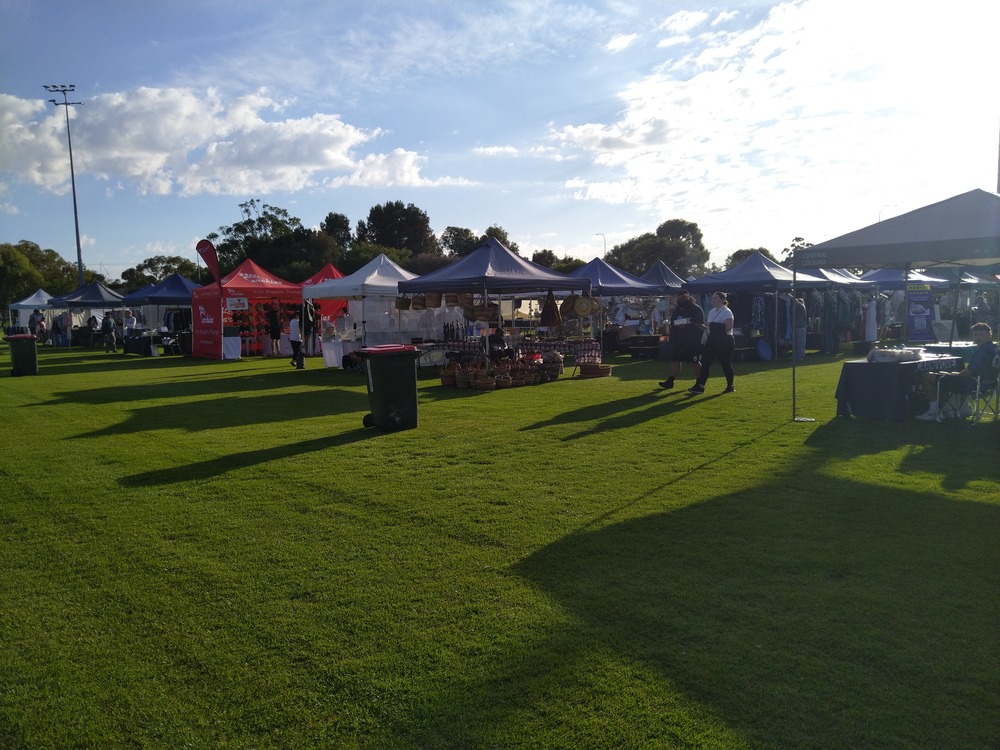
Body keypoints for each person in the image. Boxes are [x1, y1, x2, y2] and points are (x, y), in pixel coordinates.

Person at [917, 322, 999, 420]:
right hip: (991, 383)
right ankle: (955, 408)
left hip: (974, 384)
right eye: (975, 335)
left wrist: (949, 374)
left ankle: (934, 411)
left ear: (989, 335)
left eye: (981, 335)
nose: (978, 338)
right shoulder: (995, 348)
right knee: (945, 377)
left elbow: (966, 373)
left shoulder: (981, 352)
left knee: (927, 376)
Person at [689, 291, 736, 394]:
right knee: (705, 363)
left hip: (724, 341)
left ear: (722, 300)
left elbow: (728, 327)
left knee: (725, 364)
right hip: (712, 340)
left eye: (716, 298)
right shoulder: (711, 312)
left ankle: (730, 386)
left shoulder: (726, 312)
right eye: (713, 298)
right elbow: (710, 328)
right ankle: (700, 386)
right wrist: (704, 327)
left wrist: (711, 325)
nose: (713, 300)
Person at [658, 290, 703, 389]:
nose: (682, 298)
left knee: (695, 361)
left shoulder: (696, 309)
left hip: (692, 340)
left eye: (684, 296)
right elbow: (673, 323)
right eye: (680, 297)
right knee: (676, 360)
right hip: (678, 341)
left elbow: (700, 324)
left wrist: (687, 325)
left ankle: (700, 382)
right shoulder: (677, 310)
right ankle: (670, 381)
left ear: (689, 296)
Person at [792, 297, 808, 361]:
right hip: (798, 326)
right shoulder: (799, 308)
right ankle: (797, 355)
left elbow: (796, 302)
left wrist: (791, 296)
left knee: (800, 342)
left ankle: (800, 356)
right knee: (797, 342)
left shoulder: (801, 307)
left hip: (801, 326)